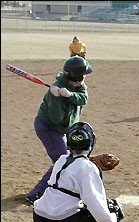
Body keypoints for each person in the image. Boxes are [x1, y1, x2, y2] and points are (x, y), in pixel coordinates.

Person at [23, 122, 124, 222]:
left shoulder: (61, 160)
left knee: (55, 199)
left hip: (40, 220)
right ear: (91, 143)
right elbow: (95, 203)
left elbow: (73, 170)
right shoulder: (88, 168)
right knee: (113, 207)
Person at [25, 56, 93, 204]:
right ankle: (36, 194)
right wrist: (56, 98)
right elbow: (56, 119)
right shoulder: (54, 92)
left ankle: (63, 187)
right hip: (48, 127)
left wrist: (69, 95)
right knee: (61, 160)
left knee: (68, 158)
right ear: (76, 76)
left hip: (63, 129)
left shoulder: (78, 85)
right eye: (83, 74)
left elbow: (83, 98)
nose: (86, 76)